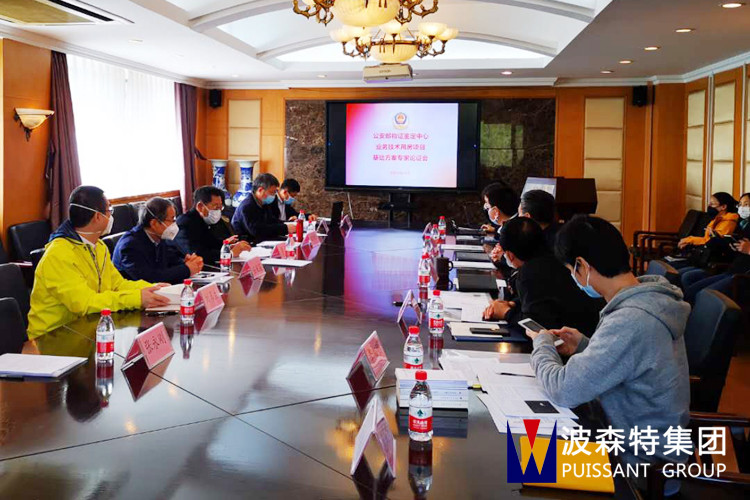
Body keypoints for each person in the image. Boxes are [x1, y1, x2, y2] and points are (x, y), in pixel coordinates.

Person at [527, 215, 691, 477]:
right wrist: (584, 345)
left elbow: (563, 389)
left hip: (636, 465)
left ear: (582, 265)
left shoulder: (632, 318)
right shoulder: (649, 300)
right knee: (527, 454)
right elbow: (634, 362)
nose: (573, 277)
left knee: (524, 462)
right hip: (634, 444)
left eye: (571, 270)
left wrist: (542, 344)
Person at [27, 186, 170, 339]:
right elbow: (85, 303)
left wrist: (152, 288)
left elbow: (117, 284)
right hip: (53, 336)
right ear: (97, 216)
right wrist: (137, 298)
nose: (111, 216)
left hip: (89, 328)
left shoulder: (99, 246)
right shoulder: (59, 254)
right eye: (109, 210)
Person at [481, 217, 602, 336]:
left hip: (575, 339)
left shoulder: (529, 273)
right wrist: (515, 303)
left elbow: (538, 328)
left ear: (510, 255)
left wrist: (506, 313)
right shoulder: (555, 254)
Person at [113, 197, 203, 284]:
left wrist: (185, 262)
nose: (174, 224)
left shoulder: (159, 237)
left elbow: (170, 261)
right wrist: (186, 269)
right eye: (172, 220)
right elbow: (148, 278)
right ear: (154, 223)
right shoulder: (130, 245)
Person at [681, 192, 750, 303]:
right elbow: (734, 253)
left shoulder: (734, 222)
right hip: (731, 270)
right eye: (740, 204)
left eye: (746, 204)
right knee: (691, 285)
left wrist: (749, 250)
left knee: (702, 293)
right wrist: (730, 245)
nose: (742, 208)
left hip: (742, 277)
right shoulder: (742, 224)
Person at [175, 186, 250, 264]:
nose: (218, 211)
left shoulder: (203, 220)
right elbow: (196, 254)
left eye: (220, 207)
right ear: (200, 206)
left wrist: (228, 246)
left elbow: (211, 243)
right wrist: (230, 253)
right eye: (216, 207)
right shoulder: (184, 223)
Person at [232, 173, 295, 243]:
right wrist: (285, 228)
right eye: (272, 192)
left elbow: (271, 221)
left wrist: (288, 224)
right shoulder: (247, 206)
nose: (274, 195)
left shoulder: (264, 203)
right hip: (247, 242)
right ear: (260, 190)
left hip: (261, 239)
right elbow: (257, 231)